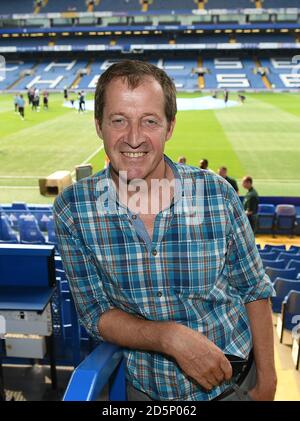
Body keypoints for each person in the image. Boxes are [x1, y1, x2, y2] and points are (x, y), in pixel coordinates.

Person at [54, 60, 276, 402]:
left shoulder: (218, 195)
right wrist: (167, 337)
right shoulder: (74, 210)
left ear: (169, 127)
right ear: (98, 125)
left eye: (150, 121)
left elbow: (254, 290)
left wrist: (269, 384)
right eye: (118, 120)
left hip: (236, 385)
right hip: (147, 393)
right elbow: (94, 312)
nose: (133, 138)